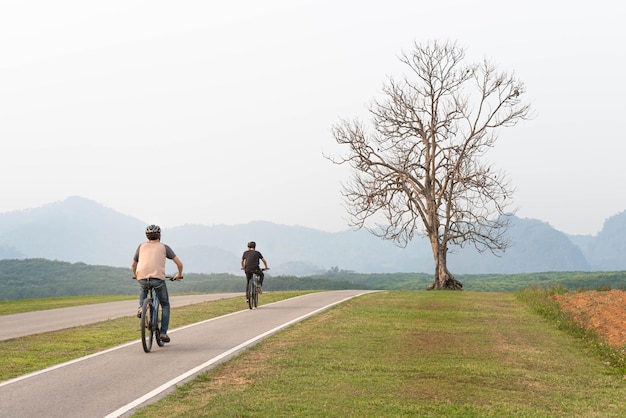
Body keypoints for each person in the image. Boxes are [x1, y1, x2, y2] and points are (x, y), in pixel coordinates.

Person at [131, 224, 183, 343]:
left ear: (147, 236)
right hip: (158, 279)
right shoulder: (164, 247)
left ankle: (140, 308)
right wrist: (179, 274)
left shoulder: (141, 247)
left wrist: (135, 274)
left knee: (143, 289)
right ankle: (163, 333)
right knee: (165, 305)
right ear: (160, 236)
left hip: (142, 277)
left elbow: (133, 265)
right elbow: (179, 264)